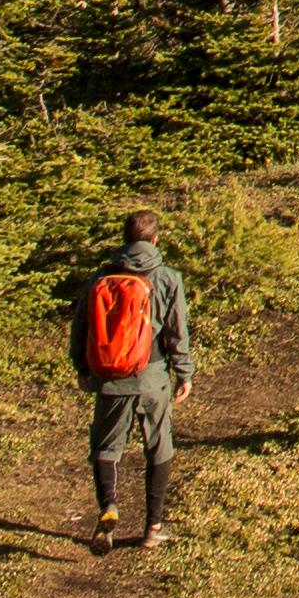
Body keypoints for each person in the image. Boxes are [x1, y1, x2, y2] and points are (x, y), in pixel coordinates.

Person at [70, 208, 195, 551]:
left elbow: (81, 328)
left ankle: (108, 506)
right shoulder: (168, 278)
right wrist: (184, 371)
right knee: (158, 446)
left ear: (125, 239)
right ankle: (153, 527)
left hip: (111, 377)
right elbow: (176, 332)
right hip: (152, 377)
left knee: (106, 447)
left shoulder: (101, 277)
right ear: (155, 239)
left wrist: (83, 368)